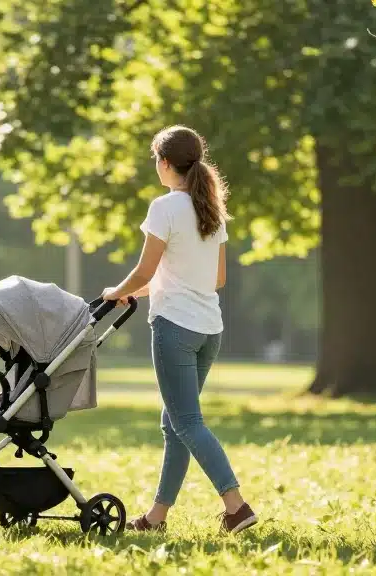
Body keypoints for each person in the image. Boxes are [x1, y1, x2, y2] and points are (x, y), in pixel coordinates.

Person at [99, 125, 257, 534]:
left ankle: (236, 507)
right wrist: (142, 292)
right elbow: (215, 278)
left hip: (175, 329)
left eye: (156, 159)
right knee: (176, 425)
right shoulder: (212, 210)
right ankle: (156, 517)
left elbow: (145, 270)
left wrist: (116, 291)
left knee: (187, 423)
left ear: (165, 162)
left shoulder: (165, 207)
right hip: (209, 330)